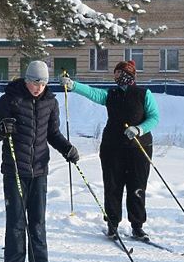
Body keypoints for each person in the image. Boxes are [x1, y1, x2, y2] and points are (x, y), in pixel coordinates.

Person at [0, 60, 77, 262]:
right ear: (26, 80)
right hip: (14, 169)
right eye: (34, 82)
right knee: (17, 221)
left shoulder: (50, 102)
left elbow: (53, 134)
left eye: (42, 83)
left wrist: (67, 148)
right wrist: (2, 128)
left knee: (37, 222)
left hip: (39, 170)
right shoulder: (11, 98)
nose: (38, 87)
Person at [61, 60, 159, 241]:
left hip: (139, 148)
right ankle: (112, 224)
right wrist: (73, 85)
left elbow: (154, 118)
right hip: (112, 148)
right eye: (115, 74)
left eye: (118, 74)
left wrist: (139, 129)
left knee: (137, 187)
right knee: (113, 186)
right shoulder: (110, 94)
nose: (115, 78)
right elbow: (92, 93)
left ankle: (137, 226)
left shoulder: (144, 94)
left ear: (127, 75)